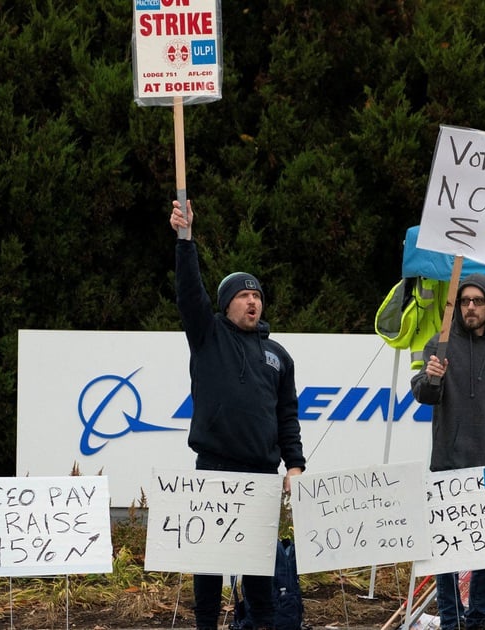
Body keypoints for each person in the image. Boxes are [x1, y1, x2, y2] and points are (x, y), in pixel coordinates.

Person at [169, 200, 306, 630]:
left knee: (258, 571)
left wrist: (295, 464)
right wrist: (185, 239)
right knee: (208, 566)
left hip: (262, 474)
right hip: (214, 469)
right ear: (227, 304)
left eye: (257, 295)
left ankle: (262, 624)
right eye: (244, 295)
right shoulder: (208, 336)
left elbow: (287, 415)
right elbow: (190, 291)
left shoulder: (278, 356)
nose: (253, 302)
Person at [410, 273, 485, 630]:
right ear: (457, 306)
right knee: (446, 550)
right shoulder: (440, 343)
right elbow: (424, 395)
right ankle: (451, 618)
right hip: (448, 462)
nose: (471, 307)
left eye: (478, 301)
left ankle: (478, 618)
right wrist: (431, 377)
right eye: (465, 301)